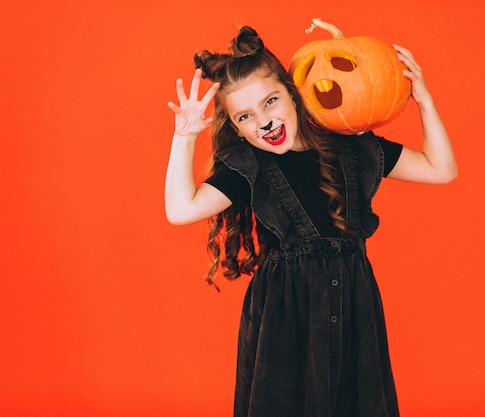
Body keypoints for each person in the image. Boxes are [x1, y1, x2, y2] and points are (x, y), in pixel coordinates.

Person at [165, 26, 456, 417]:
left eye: (271, 102)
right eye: (246, 116)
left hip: (354, 307)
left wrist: (423, 100)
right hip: (285, 319)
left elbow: (442, 169)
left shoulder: (353, 148)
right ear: (235, 127)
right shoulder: (249, 167)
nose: (264, 121)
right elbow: (180, 210)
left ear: (293, 93)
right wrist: (184, 137)